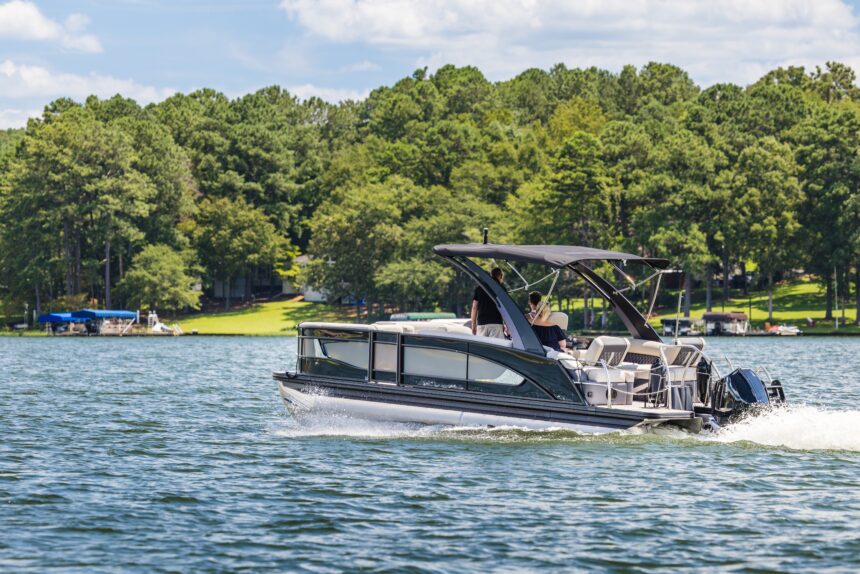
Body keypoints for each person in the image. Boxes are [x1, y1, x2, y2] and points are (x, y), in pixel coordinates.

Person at [471, 267, 506, 339]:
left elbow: (474, 307)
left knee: (482, 349)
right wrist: (504, 324)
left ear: (491, 275)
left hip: (482, 323)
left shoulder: (479, 288)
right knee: (497, 348)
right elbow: (505, 309)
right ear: (501, 276)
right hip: (496, 323)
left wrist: (473, 324)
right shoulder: (501, 289)